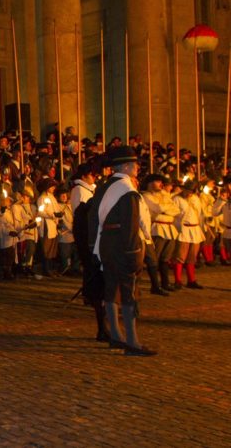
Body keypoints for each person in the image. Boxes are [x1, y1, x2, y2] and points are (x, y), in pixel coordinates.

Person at [90, 146, 156, 356]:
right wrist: (133, 252)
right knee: (128, 291)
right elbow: (131, 224)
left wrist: (94, 247)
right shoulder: (128, 191)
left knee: (111, 288)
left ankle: (116, 336)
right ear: (126, 166)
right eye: (135, 164)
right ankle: (132, 342)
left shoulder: (103, 187)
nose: (137, 168)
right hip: (123, 245)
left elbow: (93, 219)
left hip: (105, 244)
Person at [141, 174, 178, 295]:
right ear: (150, 183)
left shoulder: (164, 195)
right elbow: (158, 208)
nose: (161, 185)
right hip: (158, 228)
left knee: (165, 258)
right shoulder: (146, 196)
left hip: (169, 228)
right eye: (158, 182)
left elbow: (176, 210)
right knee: (154, 258)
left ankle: (165, 282)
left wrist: (165, 208)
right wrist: (166, 208)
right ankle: (155, 285)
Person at [173, 180, 205, 289]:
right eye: (188, 191)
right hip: (183, 230)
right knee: (180, 256)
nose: (189, 193)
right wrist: (177, 230)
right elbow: (174, 216)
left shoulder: (196, 199)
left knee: (192, 257)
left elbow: (200, 215)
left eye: (192, 191)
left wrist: (201, 227)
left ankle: (191, 280)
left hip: (195, 230)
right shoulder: (176, 199)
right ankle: (178, 280)